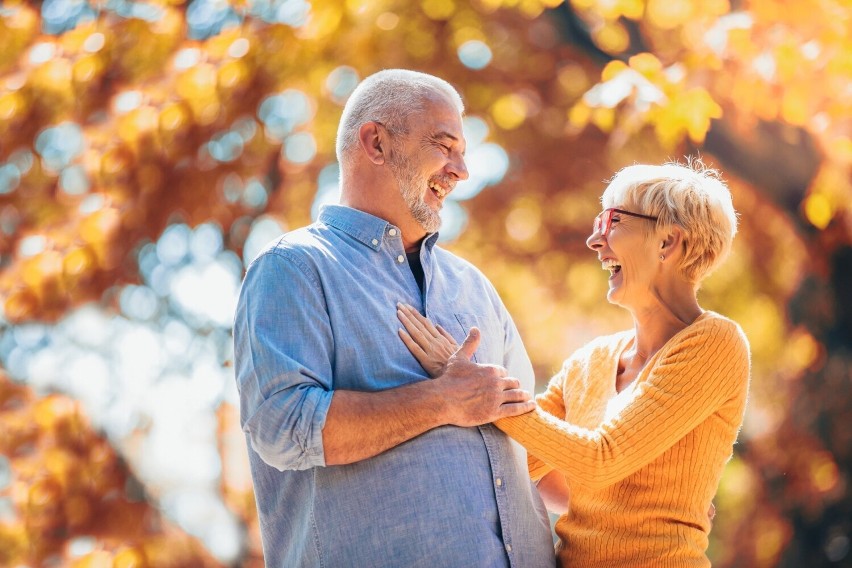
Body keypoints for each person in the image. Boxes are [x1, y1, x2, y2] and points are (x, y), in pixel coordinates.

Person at [233, 69, 555, 568]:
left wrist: (646, 505)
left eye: (462, 151)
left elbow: (533, 449)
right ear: (376, 142)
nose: (461, 170)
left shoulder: (476, 289)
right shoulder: (294, 269)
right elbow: (283, 427)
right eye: (444, 146)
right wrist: (442, 401)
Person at [398, 161, 751, 567]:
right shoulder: (591, 361)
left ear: (668, 242)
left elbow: (602, 459)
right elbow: (525, 460)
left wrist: (482, 390)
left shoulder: (714, 343)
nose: (594, 240)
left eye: (612, 220)